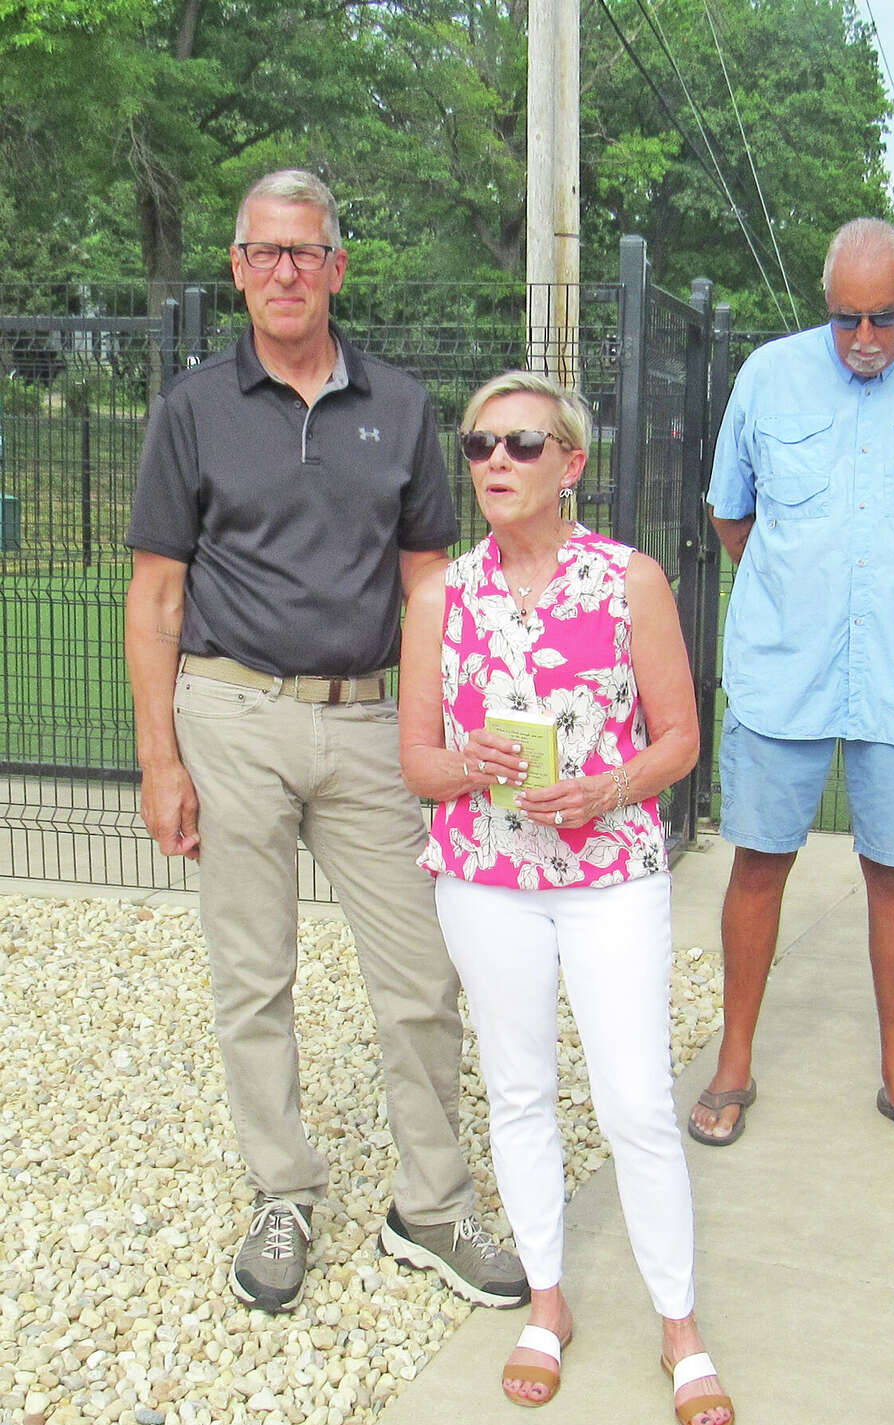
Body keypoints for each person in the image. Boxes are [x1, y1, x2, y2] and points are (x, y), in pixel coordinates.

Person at [124, 168, 528, 1314]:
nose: (285, 272)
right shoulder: (192, 410)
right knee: (253, 977)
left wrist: (441, 732)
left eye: (306, 252)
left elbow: (429, 587)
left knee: (418, 974)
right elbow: (155, 597)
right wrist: (161, 758)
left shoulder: (398, 406)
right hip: (232, 716)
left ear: (338, 268)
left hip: (367, 726)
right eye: (264, 253)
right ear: (238, 270)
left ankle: (433, 1205)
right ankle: (282, 1191)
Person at [398, 369, 733, 1425]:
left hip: (609, 875)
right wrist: (465, 761)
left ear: (571, 464)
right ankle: (547, 1304)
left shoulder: (628, 580)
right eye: (480, 445)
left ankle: (679, 1326)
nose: (496, 463)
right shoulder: (439, 598)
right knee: (520, 1087)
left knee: (635, 1100)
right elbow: (415, 762)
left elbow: (680, 739)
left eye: (522, 446)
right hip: (485, 877)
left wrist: (607, 787)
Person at [687, 217, 894, 1159]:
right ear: (823, 303)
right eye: (847, 319)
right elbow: (731, 511)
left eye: (883, 317)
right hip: (783, 671)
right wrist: (804, 593)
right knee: (758, 863)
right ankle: (734, 1060)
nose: (865, 338)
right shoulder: (767, 377)